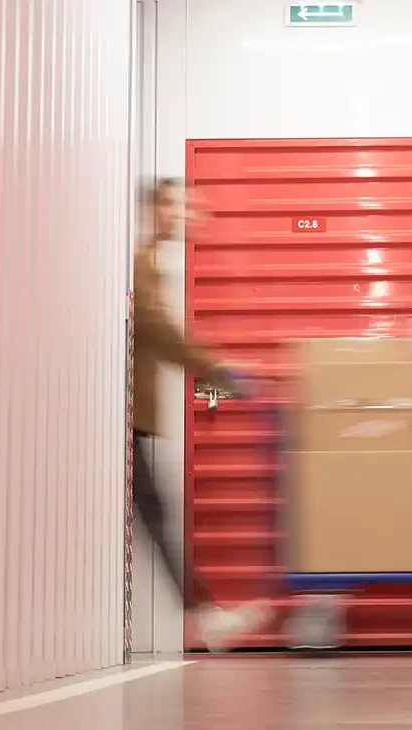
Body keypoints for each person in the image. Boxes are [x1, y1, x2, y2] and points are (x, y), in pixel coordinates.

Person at [132, 177, 271, 651]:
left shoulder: (149, 261)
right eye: (176, 205)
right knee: (155, 513)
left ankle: (206, 615)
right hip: (127, 417)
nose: (188, 214)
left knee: (154, 513)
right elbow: (159, 329)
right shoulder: (139, 263)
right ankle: (206, 616)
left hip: (134, 416)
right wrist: (219, 370)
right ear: (154, 208)